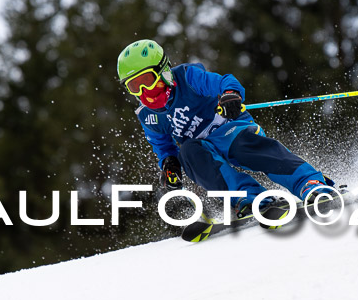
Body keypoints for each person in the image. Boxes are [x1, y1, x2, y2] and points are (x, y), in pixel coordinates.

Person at [116, 38, 335, 219]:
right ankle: (249, 198)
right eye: (134, 86)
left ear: (163, 71)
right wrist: (169, 164)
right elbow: (163, 146)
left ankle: (310, 183)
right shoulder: (148, 115)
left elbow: (223, 81)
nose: (144, 90)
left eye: (147, 80)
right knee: (188, 153)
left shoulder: (188, 78)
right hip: (202, 148)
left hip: (228, 127)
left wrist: (230, 94)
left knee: (244, 148)